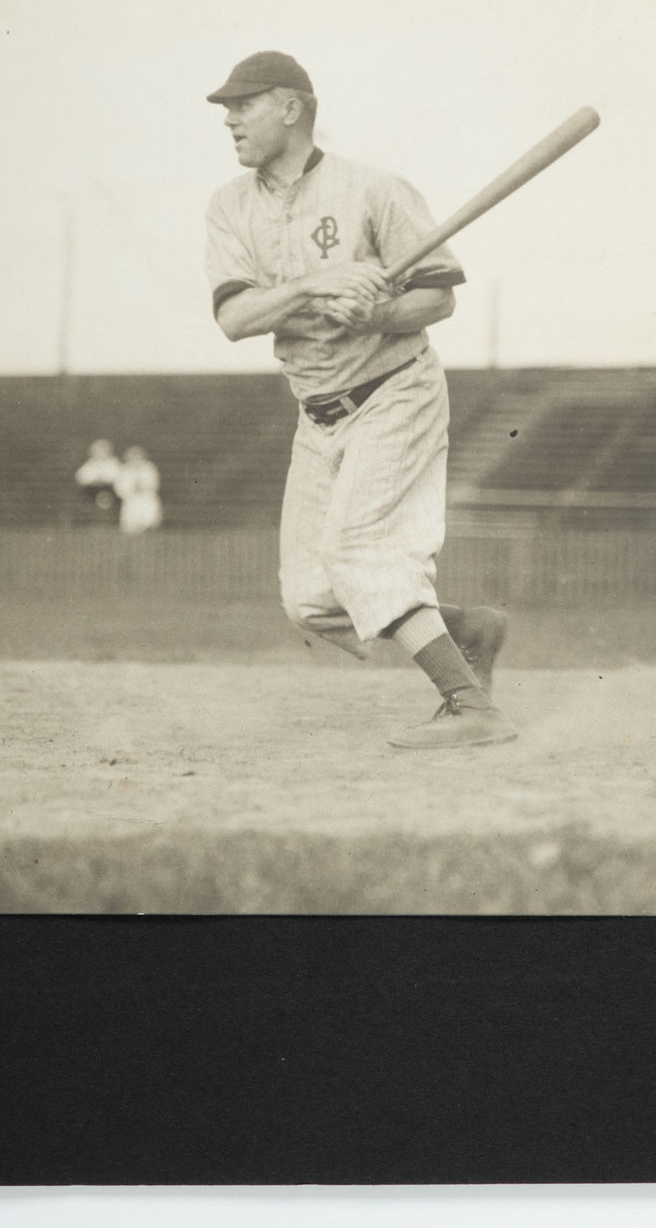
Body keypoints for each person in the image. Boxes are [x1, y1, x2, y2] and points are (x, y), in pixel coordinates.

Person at [203, 50, 516, 749]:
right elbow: (234, 319)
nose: (229, 119)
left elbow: (436, 297)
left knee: (361, 551)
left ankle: (472, 708)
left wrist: (375, 313)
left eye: (243, 104)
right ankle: (464, 631)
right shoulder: (229, 207)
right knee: (310, 601)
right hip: (316, 412)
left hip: (393, 392)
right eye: (227, 107)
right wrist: (319, 285)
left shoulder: (375, 190)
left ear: (291, 107)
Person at [114, 445, 163, 536]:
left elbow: (154, 483)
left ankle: (147, 525)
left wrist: (143, 486)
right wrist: (130, 489)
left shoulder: (149, 467)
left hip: (146, 495)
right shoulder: (124, 469)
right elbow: (120, 485)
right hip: (131, 496)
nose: (135, 458)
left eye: (137, 456)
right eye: (133, 456)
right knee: (131, 508)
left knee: (149, 504)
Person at [74, 438, 121, 516]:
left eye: (103, 451)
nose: (101, 453)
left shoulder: (113, 463)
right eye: (98, 451)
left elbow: (116, 476)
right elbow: (81, 477)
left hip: (110, 491)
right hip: (92, 491)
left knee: (106, 497)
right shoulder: (90, 464)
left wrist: (103, 479)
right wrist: (95, 480)